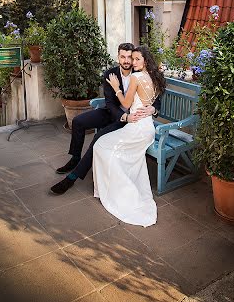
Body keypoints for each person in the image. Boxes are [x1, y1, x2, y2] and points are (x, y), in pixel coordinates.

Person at [50, 42, 160, 195]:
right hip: (113, 113)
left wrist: (153, 108)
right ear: (118, 57)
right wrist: (123, 115)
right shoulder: (111, 74)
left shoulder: (139, 75)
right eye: (124, 57)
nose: (128, 61)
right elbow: (109, 103)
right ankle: (75, 158)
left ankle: (73, 177)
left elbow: (155, 99)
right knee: (78, 121)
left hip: (130, 121)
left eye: (131, 57)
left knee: (98, 138)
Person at [93, 45, 166, 227]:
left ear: (145, 61)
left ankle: (121, 192)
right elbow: (150, 102)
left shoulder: (136, 77)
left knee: (101, 147)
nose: (133, 62)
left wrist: (117, 88)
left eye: (137, 59)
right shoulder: (153, 77)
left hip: (137, 128)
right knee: (111, 148)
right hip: (147, 128)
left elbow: (125, 104)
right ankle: (122, 184)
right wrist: (153, 109)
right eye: (132, 59)